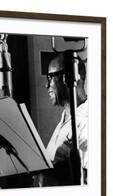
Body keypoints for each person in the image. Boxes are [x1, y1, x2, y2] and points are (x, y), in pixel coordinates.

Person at [35, 53, 88, 186]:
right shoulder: (66, 118)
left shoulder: (86, 122)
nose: (46, 85)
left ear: (68, 77)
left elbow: (87, 181)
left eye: (50, 77)